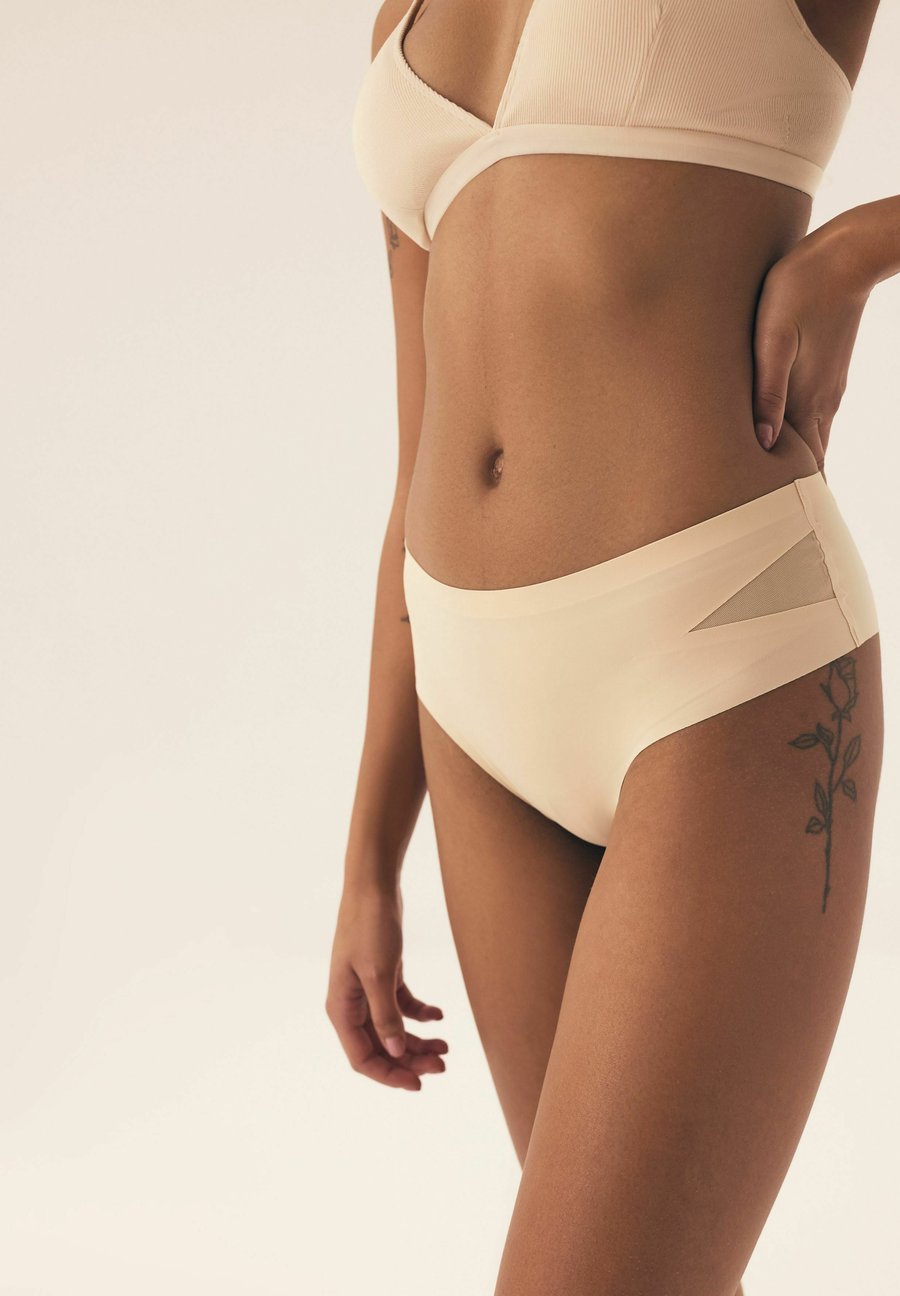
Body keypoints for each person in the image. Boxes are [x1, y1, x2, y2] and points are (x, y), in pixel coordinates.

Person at [327, 2, 893, 1292]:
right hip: (471, 717)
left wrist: (860, 249)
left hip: (718, 652)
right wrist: (370, 852)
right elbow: (416, 456)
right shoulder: (398, 21)